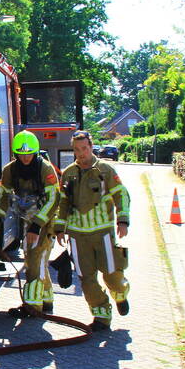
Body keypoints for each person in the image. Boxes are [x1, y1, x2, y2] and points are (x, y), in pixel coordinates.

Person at [53, 130, 131, 331]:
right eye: (77, 150)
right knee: (86, 279)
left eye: (84, 148)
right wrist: (60, 228)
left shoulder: (104, 170)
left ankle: (120, 293)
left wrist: (123, 220)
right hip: (78, 236)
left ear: (91, 146)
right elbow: (63, 202)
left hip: (103, 233)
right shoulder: (69, 173)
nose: (81, 153)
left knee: (112, 274)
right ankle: (101, 316)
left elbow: (121, 194)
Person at [0, 130, 62, 315]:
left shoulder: (45, 169)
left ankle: (32, 306)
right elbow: (4, 196)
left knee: (33, 262)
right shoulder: (10, 170)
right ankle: (46, 301)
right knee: (37, 261)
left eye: (29, 154)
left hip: (45, 222)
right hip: (26, 221)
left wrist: (37, 225)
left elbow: (53, 199)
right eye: (21, 155)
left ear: (36, 152)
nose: (25, 158)